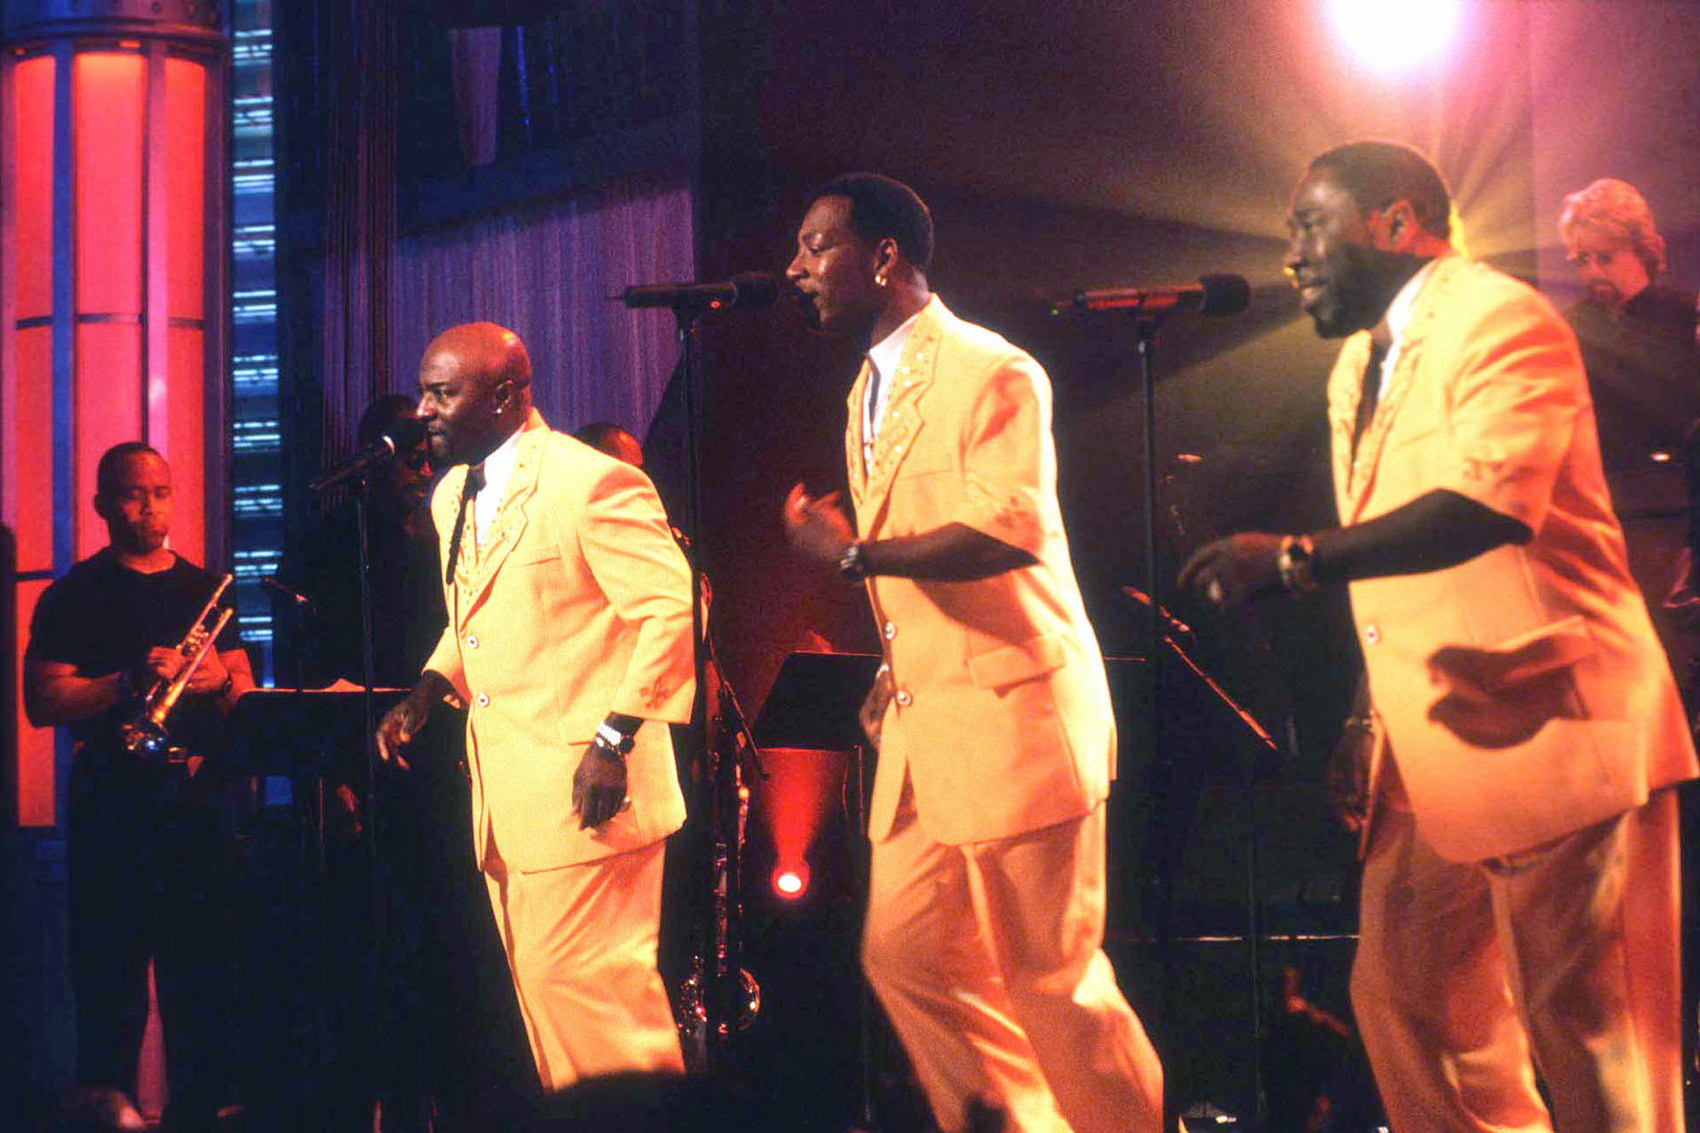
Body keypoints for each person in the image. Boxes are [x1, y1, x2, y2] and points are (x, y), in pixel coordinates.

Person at [1179, 140, 1697, 1132]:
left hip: (1557, 722)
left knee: (1596, 1044)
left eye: (1308, 228)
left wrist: (1292, 556)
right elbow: (1391, 565)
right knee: (1404, 1000)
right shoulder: (1355, 370)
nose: (1290, 255)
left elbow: (1488, 504)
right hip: (1427, 741)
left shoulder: (1498, 320)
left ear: (1392, 221)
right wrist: (1361, 720)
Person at [780, 172, 1164, 1133]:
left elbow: (1006, 532)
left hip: (1016, 713)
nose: (796, 269)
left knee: (1054, 981)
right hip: (926, 727)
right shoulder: (865, 388)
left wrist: (854, 554)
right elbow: (922, 565)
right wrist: (888, 664)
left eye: (816, 246)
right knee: (906, 956)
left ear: (884, 257)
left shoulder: (994, 369)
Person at [375, 322, 697, 1093]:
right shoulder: (453, 491)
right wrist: (428, 689)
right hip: (510, 803)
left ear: (508, 394)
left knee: (606, 1016)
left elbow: (673, 609)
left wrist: (613, 738)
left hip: (591, 795)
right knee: (554, 1012)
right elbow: (478, 617)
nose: (423, 410)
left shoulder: (590, 482)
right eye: (424, 390)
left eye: (443, 393)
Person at [24, 442, 255, 1132]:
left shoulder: (207, 588)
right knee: (109, 992)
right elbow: (44, 699)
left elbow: (246, 690)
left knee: (202, 989)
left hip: (195, 806)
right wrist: (126, 681)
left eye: (159, 491)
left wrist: (220, 682)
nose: (149, 506)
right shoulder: (73, 593)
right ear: (102, 504)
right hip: (112, 808)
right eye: (132, 493)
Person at [1557, 179, 1700, 688]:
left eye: (1605, 257)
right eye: (1581, 260)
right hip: (1595, 517)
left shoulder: (1688, 319)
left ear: (1643, 251)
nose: (1592, 272)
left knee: (1668, 666)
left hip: (1670, 524)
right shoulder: (1566, 330)